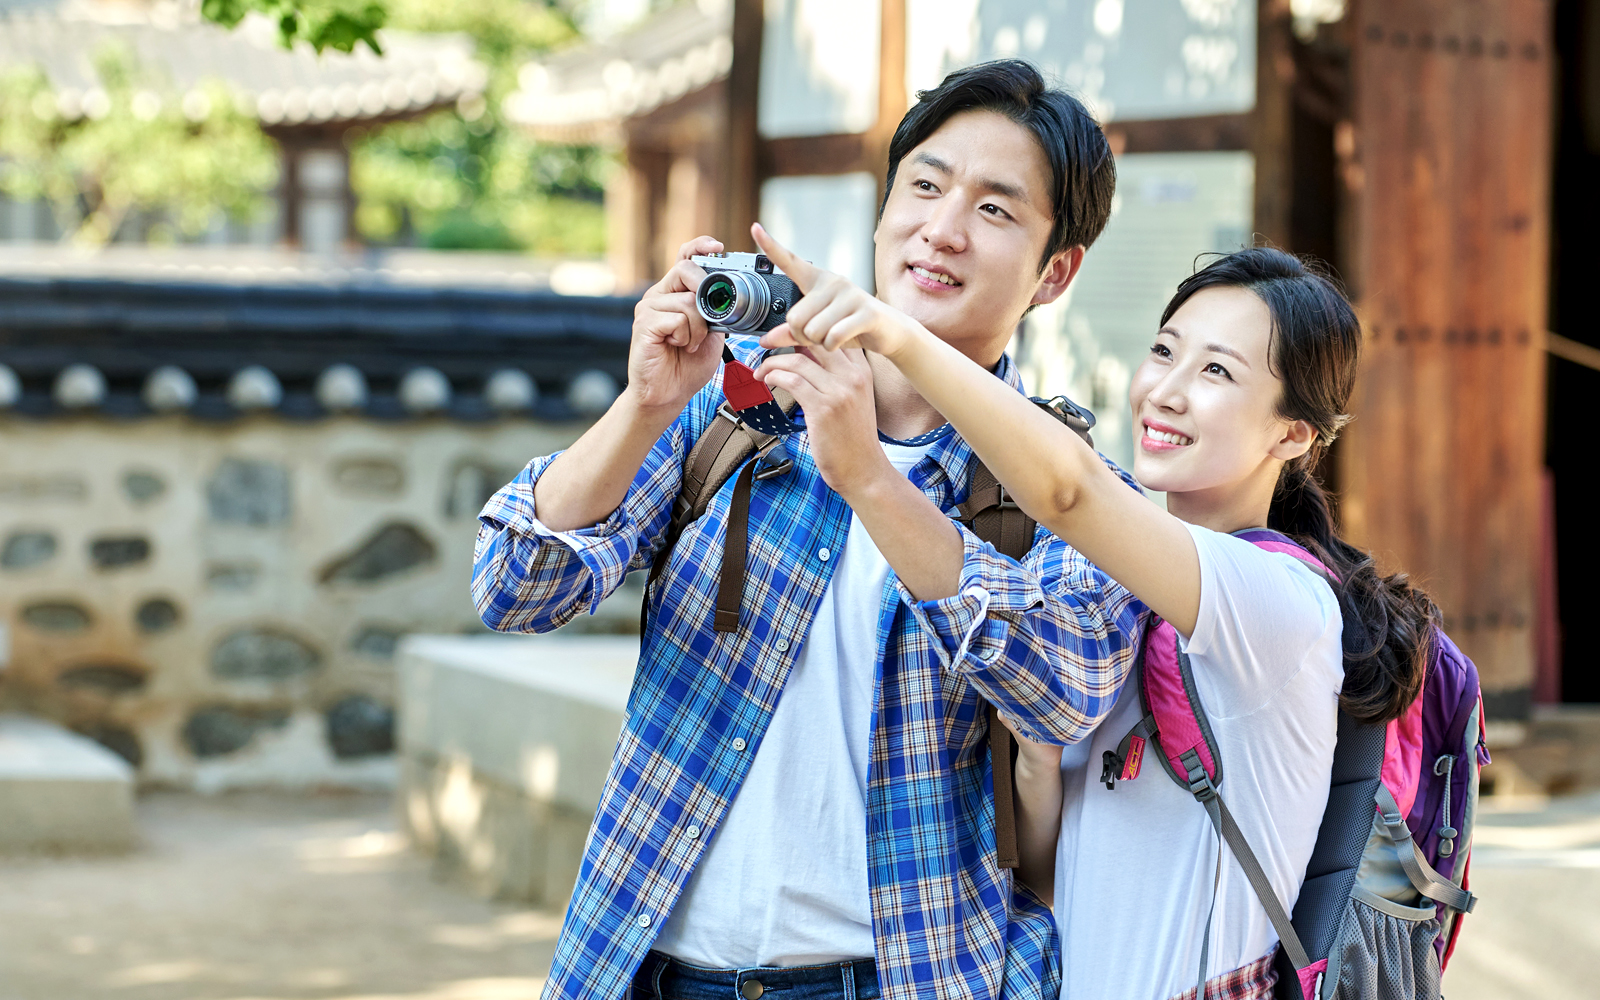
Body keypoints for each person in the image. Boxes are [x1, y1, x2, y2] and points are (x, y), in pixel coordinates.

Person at [471, 60, 1146, 1000]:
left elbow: (1065, 694)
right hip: (651, 965)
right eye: (924, 185)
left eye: (996, 211)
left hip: (903, 977)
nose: (941, 229)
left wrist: (868, 476)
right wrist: (641, 406)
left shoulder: (1067, 489)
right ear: (881, 215)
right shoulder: (739, 405)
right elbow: (513, 588)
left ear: (1054, 272)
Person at [752, 240, 1440, 1000]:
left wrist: (897, 337)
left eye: (1216, 371)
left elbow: (1071, 492)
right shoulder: (1126, 597)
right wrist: (1040, 768)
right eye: (1164, 351)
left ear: (1292, 434)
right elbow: (1053, 880)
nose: (1166, 391)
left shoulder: (1278, 602)